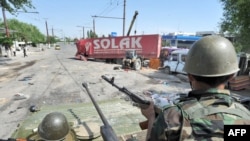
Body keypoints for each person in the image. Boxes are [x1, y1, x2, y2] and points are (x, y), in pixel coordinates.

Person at [141, 35, 250, 141]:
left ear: (190, 75)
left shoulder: (172, 117)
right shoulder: (246, 116)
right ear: (232, 75)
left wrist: (151, 118)